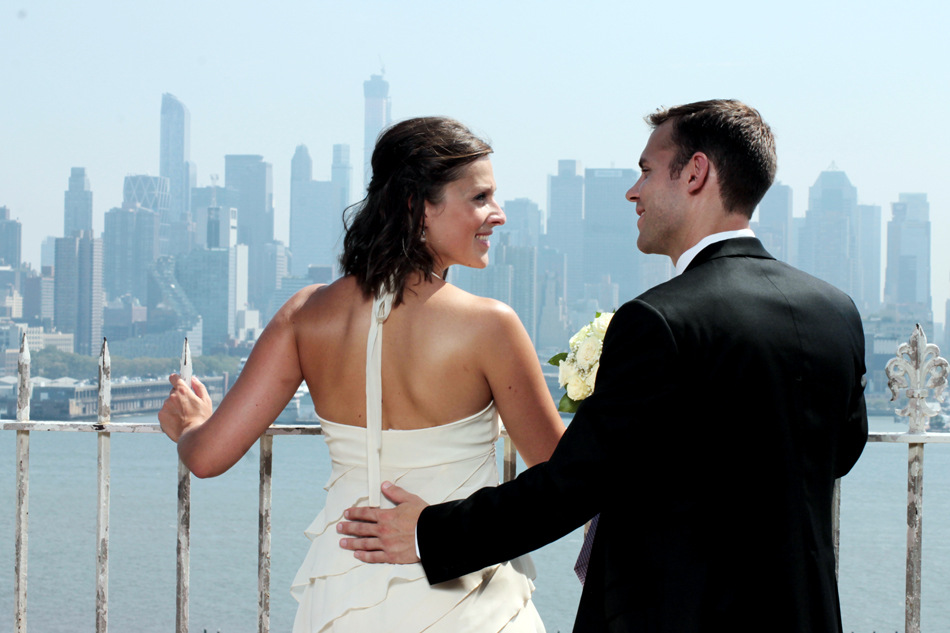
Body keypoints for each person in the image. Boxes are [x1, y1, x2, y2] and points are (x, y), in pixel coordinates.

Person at [338, 100, 869, 633]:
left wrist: (431, 534)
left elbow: (571, 486)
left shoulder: (658, 319)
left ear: (696, 173)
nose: (632, 190)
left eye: (645, 170)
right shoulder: (835, 310)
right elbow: (839, 452)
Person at [158, 116, 565, 632]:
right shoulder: (490, 326)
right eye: (480, 198)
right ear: (418, 206)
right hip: (464, 598)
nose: (498, 215)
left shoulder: (306, 315)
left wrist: (190, 424)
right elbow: (562, 475)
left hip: (344, 592)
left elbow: (208, 456)